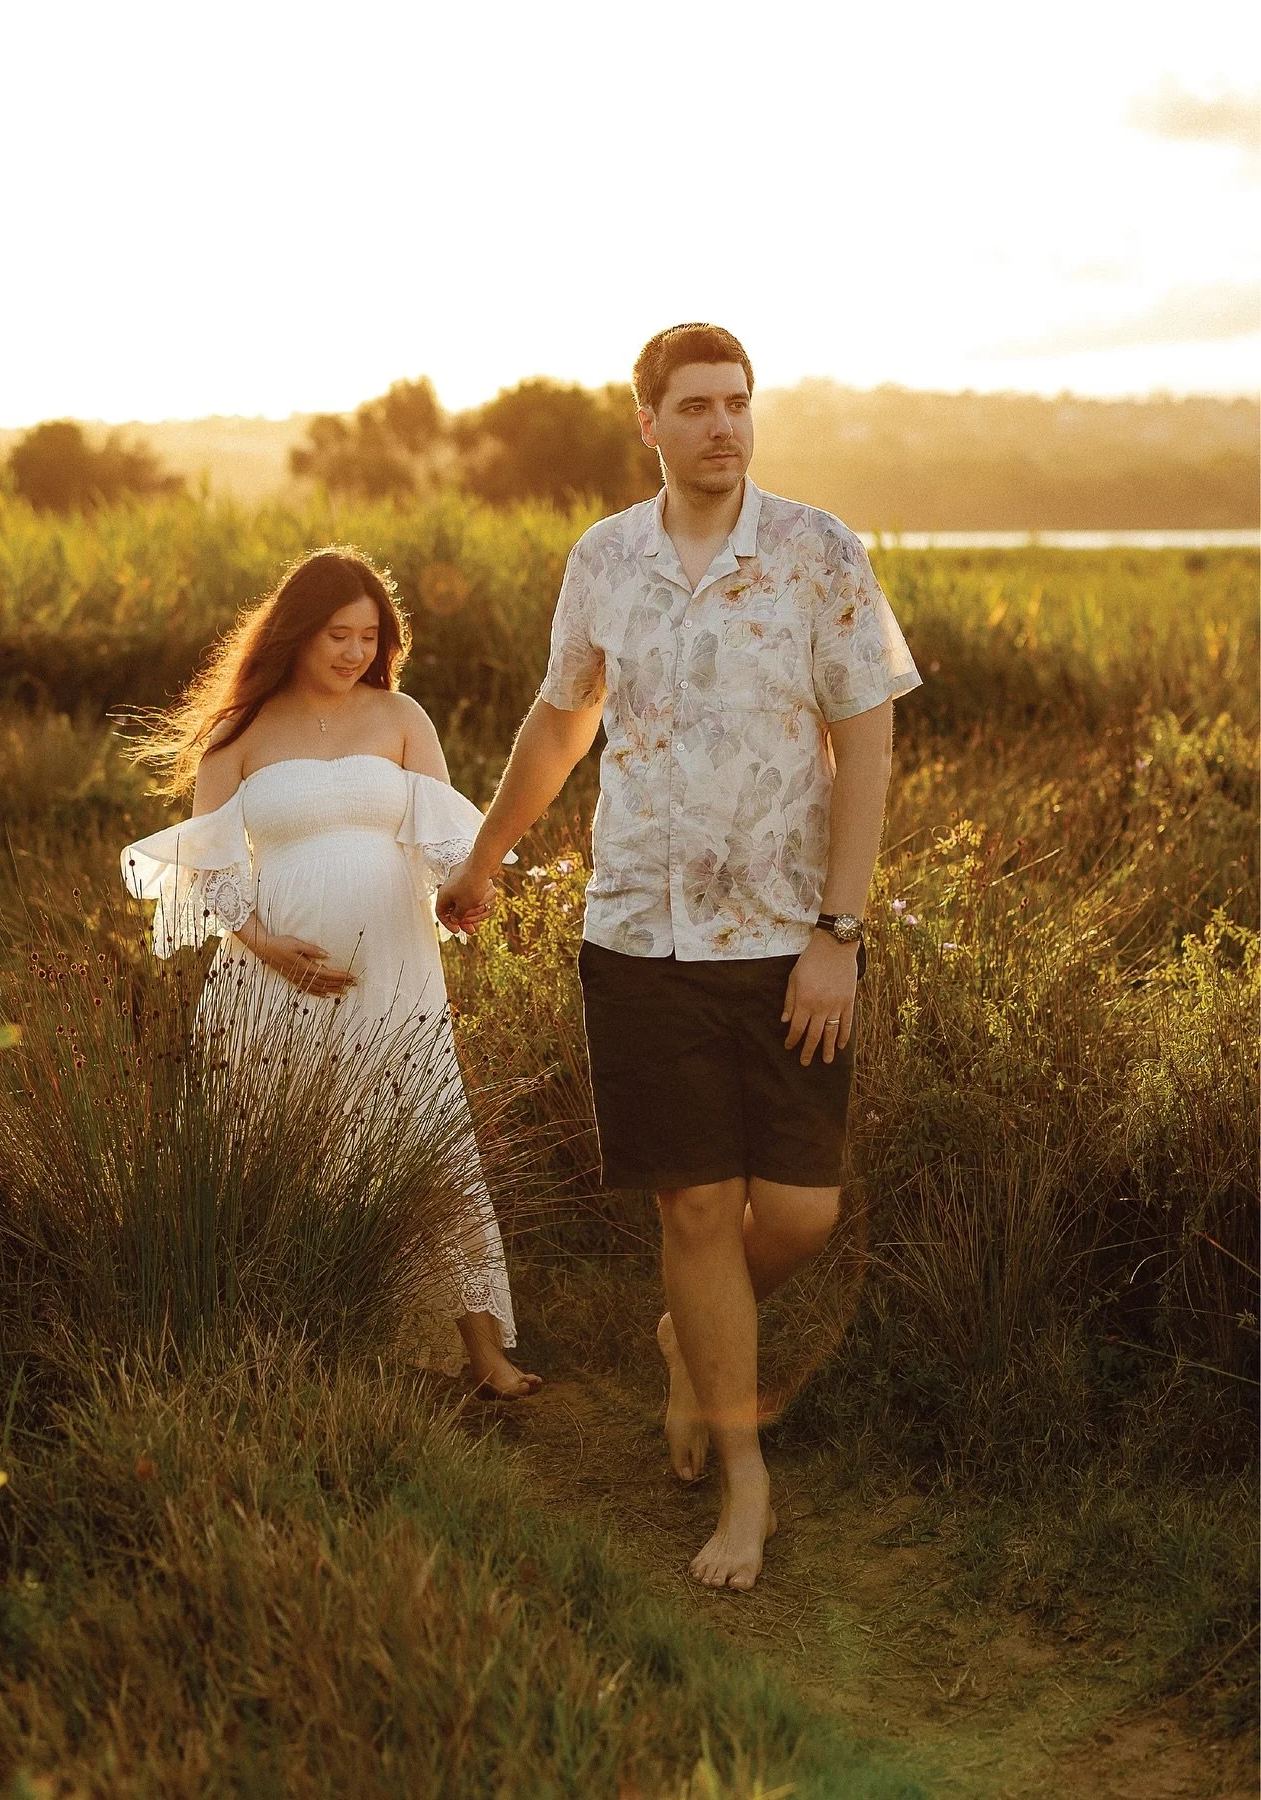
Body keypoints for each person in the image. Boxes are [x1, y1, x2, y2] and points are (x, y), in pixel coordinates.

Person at [437, 323, 921, 1585]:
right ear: (647, 423)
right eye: (697, 406)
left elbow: (866, 742)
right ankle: (743, 1477)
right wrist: (486, 858)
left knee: (802, 1213)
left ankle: (689, 1339)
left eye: (739, 404)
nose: (724, 425)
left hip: (786, 941)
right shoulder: (603, 560)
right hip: (639, 935)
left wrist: (840, 934)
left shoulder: (819, 553)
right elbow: (562, 719)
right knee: (696, 1203)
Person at [121, 547, 541, 1398]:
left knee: (422, 1136)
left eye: (369, 636)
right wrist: (265, 945)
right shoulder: (241, 733)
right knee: (274, 1147)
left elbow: (446, 841)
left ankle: (484, 1354)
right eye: (336, 636)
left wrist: (467, 890)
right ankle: (284, 1336)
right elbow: (209, 868)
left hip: (397, 977)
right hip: (270, 984)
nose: (354, 653)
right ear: (295, 634)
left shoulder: (400, 717)